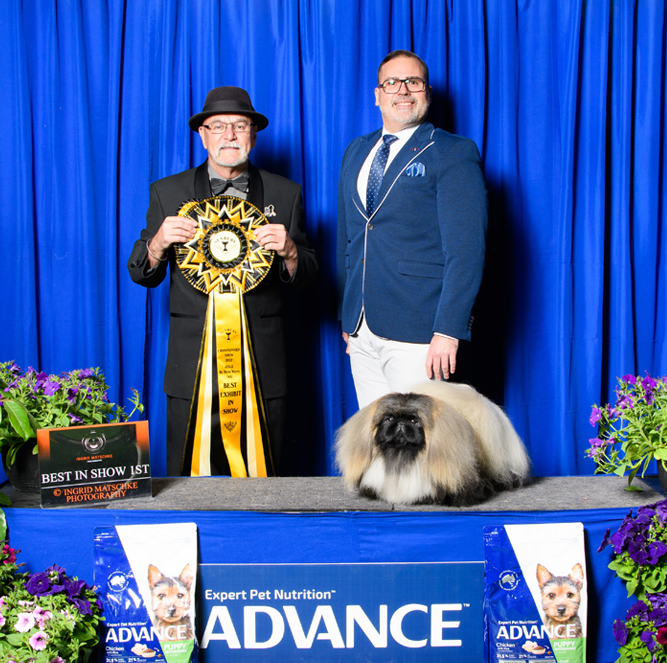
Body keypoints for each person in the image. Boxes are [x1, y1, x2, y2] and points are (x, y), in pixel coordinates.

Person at [127, 86, 316, 476]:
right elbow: (141, 273)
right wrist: (158, 242)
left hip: (261, 367)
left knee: (265, 480)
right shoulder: (167, 192)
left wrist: (292, 253)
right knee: (186, 481)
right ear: (202, 135)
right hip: (190, 366)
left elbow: (311, 278)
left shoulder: (286, 192)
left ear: (253, 134)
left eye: (240, 125)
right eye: (219, 126)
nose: (229, 135)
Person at [336, 50, 488, 408]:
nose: (402, 90)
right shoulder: (356, 151)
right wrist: (348, 314)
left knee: (423, 450)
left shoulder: (452, 151)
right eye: (392, 82)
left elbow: (466, 251)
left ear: (427, 93)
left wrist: (449, 330)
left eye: (413, 82)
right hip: (361, 329)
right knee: (376, 444)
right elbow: (349, 238)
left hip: (420, 329)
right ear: (377, 95)